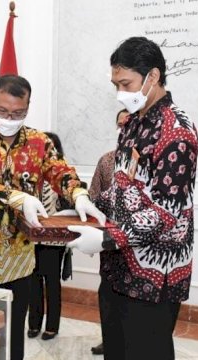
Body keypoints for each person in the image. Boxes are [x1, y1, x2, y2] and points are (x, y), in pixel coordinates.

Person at [0, 75, 105, 360]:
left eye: (18, 113)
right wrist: (17, 197)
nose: (9, 118)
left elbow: (60, 171)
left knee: (13, 332)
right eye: (3, 111)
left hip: (18, 256)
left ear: (28, 106)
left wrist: (79, 194)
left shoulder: (39, 142)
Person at [67, 37, 198, 360]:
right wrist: (86, 207)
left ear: (152, 77)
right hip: (117, 270)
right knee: (116, 351)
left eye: (125, 84)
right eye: (116, 84)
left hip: (153, 277)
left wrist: (105, 239)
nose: (120, 93)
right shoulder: (131, 125)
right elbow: (123, 185)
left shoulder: (177, 132)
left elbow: (164, 212)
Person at [88, 108, 129, 356]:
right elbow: (93, 196)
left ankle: (127, 341)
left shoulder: (149, 160)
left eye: (129, 123)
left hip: (138, 245)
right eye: (120, 124)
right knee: (108, 293)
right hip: (108, 242)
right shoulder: (106, 161)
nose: (123, 128)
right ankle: (109, 338)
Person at [27, 131, 69, 341]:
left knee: (51, 282)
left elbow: (68, 206)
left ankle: (52, 326)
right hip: (32, 236)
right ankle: (34, 323)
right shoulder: (31, 173)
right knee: (33, 281)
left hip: (55, 239)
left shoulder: (63, 175)